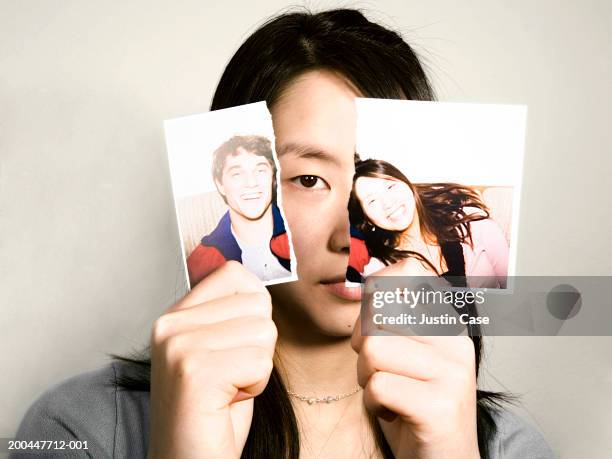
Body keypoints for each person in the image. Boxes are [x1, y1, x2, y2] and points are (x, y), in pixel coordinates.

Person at [13, 8, 553, 459]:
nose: (349, 238)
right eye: (310, 179)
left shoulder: (508, 447)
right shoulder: (74, 428)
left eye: (373, 181)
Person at [348, 158, 510, 288]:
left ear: (407, 184)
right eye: (372, 201)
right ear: (367, 220)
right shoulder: (379, 270)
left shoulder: (469, 221)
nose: (388, 203)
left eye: (390, 187)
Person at [186, 135, 292, 286]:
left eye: (260, 170)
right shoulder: (199, 266)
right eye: (237, 174)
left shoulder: (303, 232)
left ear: (273, 179)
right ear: (220, 185)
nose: (251, 183)